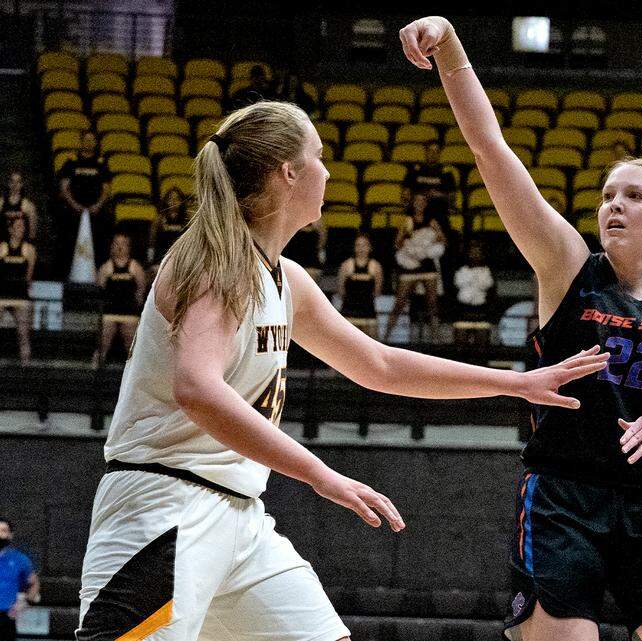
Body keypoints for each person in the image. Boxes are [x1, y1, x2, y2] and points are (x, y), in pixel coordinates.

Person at [75, 101, 609, 641]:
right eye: (319, 157)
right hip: (163, 508)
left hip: (239, 514)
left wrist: (516, 383)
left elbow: (378, 364)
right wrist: (320, 474)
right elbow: (197, 388)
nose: (328, 171)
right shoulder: (215, 258)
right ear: (288, 173)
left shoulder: (285, 279)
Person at [400, 17, 642, 641]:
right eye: (608, 195)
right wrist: (450, 46)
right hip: (564, 501)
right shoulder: (565, 265)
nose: (613, 205)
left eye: (634, 196)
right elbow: (489, 149)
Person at [383, 192, 445, 342]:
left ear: (426, 204)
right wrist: (406, 235)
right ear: (412, 204)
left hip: (427, 265)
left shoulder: (432, 221)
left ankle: (436, 339)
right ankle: (385, 337)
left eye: (422, 201)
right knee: (400, 302)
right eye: (416, 200)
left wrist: (433, 237)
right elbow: (397, 244)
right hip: (410, 264)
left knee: (432, 304)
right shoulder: (406, 221)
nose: (419, 203)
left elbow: (443, 240)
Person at [58, 131, 111, 280]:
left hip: (96, 213)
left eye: (91, 140)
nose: (89, 143)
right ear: (81, 142)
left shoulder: (101, 163)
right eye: (86, 140)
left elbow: (106, 189)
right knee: (69, 246)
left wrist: (98, 205)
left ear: (95, 143)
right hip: (73, 213)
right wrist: (74, 205)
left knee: (98, 245)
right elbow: (64, 187)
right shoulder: (71, 162)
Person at [94, 232, 146, 367]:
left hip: (129, 313)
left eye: (123, 244)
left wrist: (136, 309)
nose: (120, 247)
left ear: (129, 247)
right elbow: (100, 289)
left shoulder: (135, 267)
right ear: (111, 246)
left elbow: (141, 290)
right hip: (109, 313)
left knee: (133, 353)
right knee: (101, 350)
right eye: (117, 244)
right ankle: (94, 374)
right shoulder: (105, 268)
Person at [0, 217, 34, 364]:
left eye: (23, 226)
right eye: (18, 226)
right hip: (2, 295)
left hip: (20, 295)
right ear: (10, 229)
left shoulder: (29, 250)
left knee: (23, 333)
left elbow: (29, 276)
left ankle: (25, 365)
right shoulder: (1, 247)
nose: (21, 229)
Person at [0, 517, 40, 641]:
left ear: (10, 535)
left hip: (6, 618)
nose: (0, 534)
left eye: (4, 531)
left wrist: (25, 602)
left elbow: (34, 583)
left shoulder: (20, 559)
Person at [338, 232, 382, 338]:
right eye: (358, 245)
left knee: (373, 346)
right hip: (349, 312)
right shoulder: (346, 265)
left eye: (365, 245)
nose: (361, 248)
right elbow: (340, 290)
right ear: (354, 248)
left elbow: (377, 291)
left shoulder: (376, 267)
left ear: (370, 247)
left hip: (368, 313)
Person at [453, 241, 495, 345]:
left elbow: (487, 286)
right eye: (472, 252)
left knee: (482, 343)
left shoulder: (487, 271)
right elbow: (458, 285)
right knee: (460, 343)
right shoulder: (460, 271)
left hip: (481, 310)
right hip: (463, 310)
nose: (474, 255)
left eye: (477, 252)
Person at [402, 141, 458, 213]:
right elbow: (406, 193)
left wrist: (440, 195)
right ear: (426, 152)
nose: (433, 154)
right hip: (417, 208)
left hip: (438, 208)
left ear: (439, 154)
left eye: (436, 151)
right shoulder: (414, 171)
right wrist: (423, 195)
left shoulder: (446, 173)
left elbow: (452, 196)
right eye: (430, 151)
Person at [150, 188, 191, 267]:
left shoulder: (187, 221)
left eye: (177, 199)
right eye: (170, 199)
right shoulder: (159, 220)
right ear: (166, 201)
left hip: (182, 258)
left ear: (182, 202)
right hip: (162, 258)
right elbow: (152, 243)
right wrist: (152, 261)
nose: (173, 202)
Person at [1, 171, 37, 242]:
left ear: (22, 184)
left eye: (18, 182)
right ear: (9, 184)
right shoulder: (1, 203)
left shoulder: (28, 205)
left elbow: (32, 233)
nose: (15, 185)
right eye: (12, 181)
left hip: (21, 247)